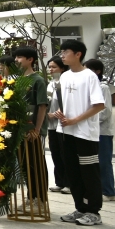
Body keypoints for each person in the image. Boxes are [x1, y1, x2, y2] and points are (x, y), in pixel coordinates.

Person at [56, 39, 106, 226]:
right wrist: (59, 114)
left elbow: (99, 105)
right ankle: (80, 208)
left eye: (65, 52)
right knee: (72, 171)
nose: (62, 55)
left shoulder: (89, 76)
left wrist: (76, 120)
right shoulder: (65, 76)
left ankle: (94, 211)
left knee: (89, 172)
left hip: (85, 134)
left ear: (78, 54)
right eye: (61, 52)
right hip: (66, 131)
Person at [13, 46, 50, 197]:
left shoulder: (38, 80)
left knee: (36, 164)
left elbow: (42, 107)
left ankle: (39, 198)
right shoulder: (18, 80)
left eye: (20, 57)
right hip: (20, 129)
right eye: (15, 57)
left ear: (30, 60)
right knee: (25, 165)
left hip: (34, 130)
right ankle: (30, 196)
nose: (16, 60)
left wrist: (37, 129)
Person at [85, 58, 115, 202]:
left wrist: (87, 119)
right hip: (90, 130)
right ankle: (98, 189)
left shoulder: (103, 87)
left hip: (102, 131)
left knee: (104, 161)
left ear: (97, 71)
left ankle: (109, 191)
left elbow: (105, 112)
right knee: (93, 162)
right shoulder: (88, 87)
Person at [46, 55, 69, 195]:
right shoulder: (50, 83)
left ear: (62, 68)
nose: (51, 69)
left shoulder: (66, 82)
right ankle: (59, 182)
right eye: (49, 67)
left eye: (54, 67)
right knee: (55, 154)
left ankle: (69, 183)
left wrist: (59, 113)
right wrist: (48, 114)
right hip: (51, 124)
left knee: (65, 154)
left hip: (63, 124)